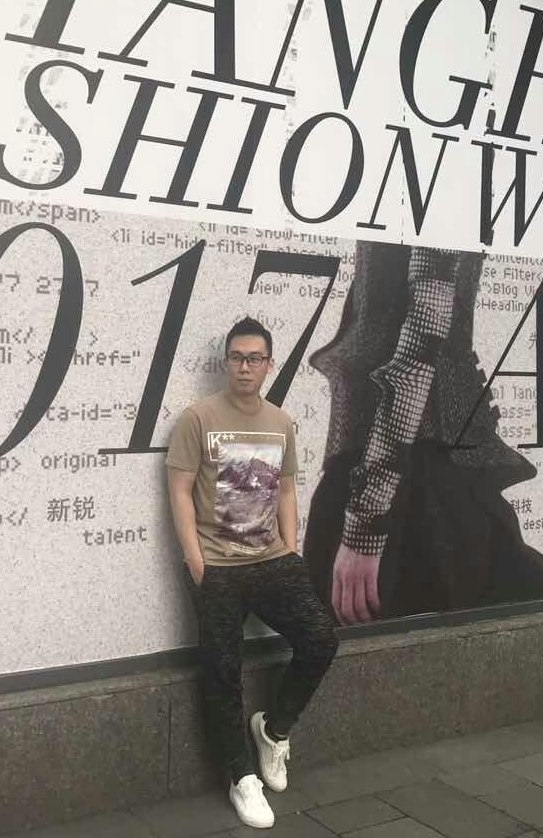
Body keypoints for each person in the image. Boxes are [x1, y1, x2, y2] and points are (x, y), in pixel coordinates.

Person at [304, 243, 543, 625]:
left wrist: (366, 524)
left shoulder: (436, 210)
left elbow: (420, 343)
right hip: (400, 456)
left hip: (408, 468)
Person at [166, 317, 339, 829]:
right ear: (227, 362)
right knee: (223, 670)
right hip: (216, 567)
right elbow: (178, 492)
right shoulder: (198, 418)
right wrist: (196, 562)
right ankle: (241, 777)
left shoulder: (280, 422)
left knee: (321, 639)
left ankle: (274, 730)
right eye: (237, 357)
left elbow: (285, 489)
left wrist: (292, 550)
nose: (245, 367)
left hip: (271, 560)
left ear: (268, 365)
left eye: (254, 358)